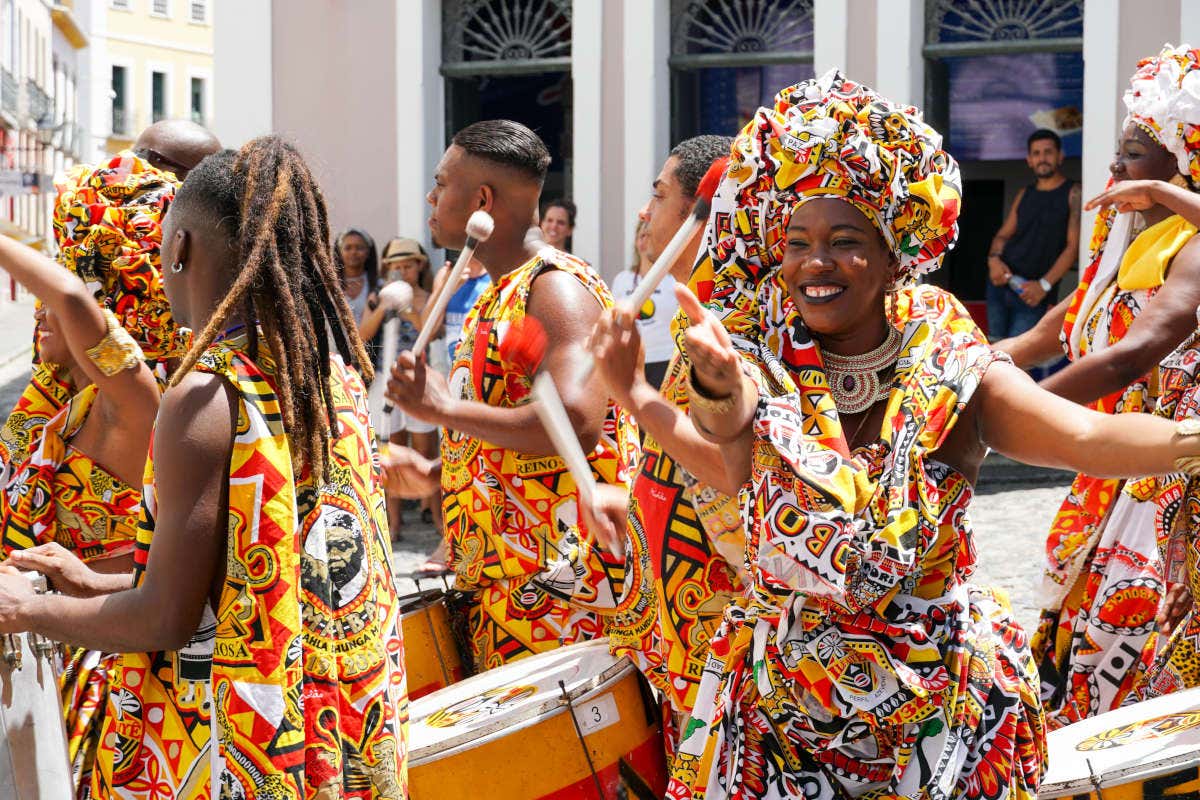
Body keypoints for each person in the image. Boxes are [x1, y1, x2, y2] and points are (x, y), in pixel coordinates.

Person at [660, 70, 1200, 800]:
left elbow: (1086, 436)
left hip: (941, 710)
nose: (814, 263)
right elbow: (731, 435)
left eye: (844, 241)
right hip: (779, 715)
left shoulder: (949, 363)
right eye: (796, 243)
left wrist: (1186, 441)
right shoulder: (760, 358)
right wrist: (712, 387)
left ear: (893, 255)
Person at [0, 138, 407, 798]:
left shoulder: (206, 397)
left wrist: (27, 608)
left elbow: (164, 618)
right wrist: (87, 578)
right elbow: (242, 571)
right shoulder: (326, 378)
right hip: (337, 735)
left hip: (235, 748)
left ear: (180, 246)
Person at [995, 45, 1200, 728]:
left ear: (1184, 163)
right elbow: (1074, 314)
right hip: (1109, 470)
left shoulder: (1192, 246)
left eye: (1135, 151)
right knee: (1082, 622)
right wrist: (1002, 353)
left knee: (1137, 626)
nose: (1114, 165)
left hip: (1170, 474)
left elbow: (1132, 355)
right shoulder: (1133, 235)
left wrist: (1013, 405)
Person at [385, 119, 637, 672]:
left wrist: (443, 409)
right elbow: (514, 439)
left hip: (564, 599)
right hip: (511, 596)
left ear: (481, 199)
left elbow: (578, 421)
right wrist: (436, 473)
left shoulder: (555, 286)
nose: (431, 196)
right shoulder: (491, 295)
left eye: (441, 182)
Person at [0, 151, 184, 798]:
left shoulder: (138, 406)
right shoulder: (55, 404)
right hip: (33, 644)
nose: (42, 308)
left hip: (99, 668)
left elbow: (74, 297)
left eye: (62, 290)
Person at [590, 135, 749, 739]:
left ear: (702, 217)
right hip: (685, 637)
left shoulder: (732, 325)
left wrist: (634, 392)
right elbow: (683, 460)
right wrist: (631, 501)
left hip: (728, 642)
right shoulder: (694, 315)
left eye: (658, 196)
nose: (642, 213)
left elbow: (734, 468)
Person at [360, 236, 440, 535]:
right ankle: (392, 523)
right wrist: (383, 306)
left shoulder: (426, 296)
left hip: (419, 379)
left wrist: (407, 308)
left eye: (408, 266)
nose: (403, 271)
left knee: (425, 449)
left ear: (419, 266)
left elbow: (429, 334)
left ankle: (436, 520)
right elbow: (363, 335)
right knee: (388, 448)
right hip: (385, 378)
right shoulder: (377, 295)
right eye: (397, 266)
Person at [987, 130, 1081, 350]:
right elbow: (1003, 235)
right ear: (1029, 160)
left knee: (1016, 358)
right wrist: (993, 260)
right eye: (1036, 153)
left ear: (1060, 156)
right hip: (1000, 285)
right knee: (992, 350)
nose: (1042, 158)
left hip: (1033, 293)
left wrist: (1044, 285)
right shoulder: (1025, 193)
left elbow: (1072, 248)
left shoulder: (1073, 192)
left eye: (1048, 152)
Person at [336, 227, 382, 367]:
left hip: (369, 360)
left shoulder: (378, 286)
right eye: (348, 247)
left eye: (359, 248)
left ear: (368, 252)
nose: (353, 252)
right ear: (339, 251)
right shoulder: (329, 286)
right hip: (335, 359)